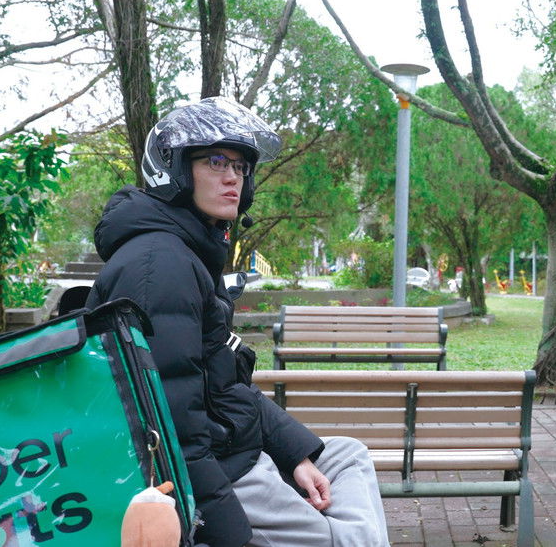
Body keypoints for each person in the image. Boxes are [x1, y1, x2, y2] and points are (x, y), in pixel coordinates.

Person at [85, 97, 389, 547]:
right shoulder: (159, 266)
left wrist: (296, 454)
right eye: (215, 162)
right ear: (174, 170)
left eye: (241, 166)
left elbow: (225, 385)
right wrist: (227, 527)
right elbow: (168, 424)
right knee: (342, 540)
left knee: (347, 455)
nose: (233, 177)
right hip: (220, 472)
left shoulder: (187, 252)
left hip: (236, 449)